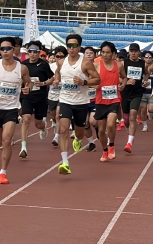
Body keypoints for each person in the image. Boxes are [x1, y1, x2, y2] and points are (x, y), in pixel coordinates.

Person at [0, 36, 32, 184]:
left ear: (14, 49)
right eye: (2, 49)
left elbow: (28, 83)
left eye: (8, 48)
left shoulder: (22, 68)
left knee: (7, 140)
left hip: (11, 108)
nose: (5, 51)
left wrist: (27, 89)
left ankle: (3, 172)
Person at [52, 34, 100, 175]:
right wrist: (56, 80)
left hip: (81, 102)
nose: (71, 48)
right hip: (65, 100)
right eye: (69, 46)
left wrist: (83, 82)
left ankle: (78, 140)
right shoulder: (61, 62)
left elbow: (97, 79)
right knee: (63, 130)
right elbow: (57, 72)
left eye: (74, 46)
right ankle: (65, 162)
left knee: (79, 132)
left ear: (79, 47)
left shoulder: (85, 63)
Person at [19, 40, 54, 158]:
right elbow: (19, 79)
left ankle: (43, 127)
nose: (33, 54)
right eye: (31, 52)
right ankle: (23, 147)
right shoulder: (23, 65)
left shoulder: (44, 64)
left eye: (35, 52)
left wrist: (43, 83)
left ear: (39, 53)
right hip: (27, 96)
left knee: (38, 123)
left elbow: (52, 78)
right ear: (28, 53)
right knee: (26, 118)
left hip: (40, 97)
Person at [94, 41, 123, 162]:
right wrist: (93, 85)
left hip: (114, 99)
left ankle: (111, 145)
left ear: (113, 54)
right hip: (101, 100)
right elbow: (90, 79)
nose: (105, 55)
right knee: (101, 130)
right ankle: (105, 150)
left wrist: (123, 84)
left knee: (111, 124)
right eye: (103, 52)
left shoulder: (119, 65)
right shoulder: (96, 65)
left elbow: (124, 77)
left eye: (107, 52)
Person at [120, 43, 150, 153]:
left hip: (137, 93)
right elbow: (118, 76)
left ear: (139, 52)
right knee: (126, 120)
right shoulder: (123, 63)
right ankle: (129, 134)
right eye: (131, 51)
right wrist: (126, 82)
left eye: (135, 51)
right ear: (129, 52)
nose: (133, 53)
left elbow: (147, 73)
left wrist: (145, 81)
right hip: (125, 92)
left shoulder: (143, 64)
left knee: (133, 115)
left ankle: (129, 143)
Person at [47, 46, 67, 146]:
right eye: (57, 56)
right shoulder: (50, 66)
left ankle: (57, 136)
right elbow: (47, 78)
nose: (59, 58)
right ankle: (56, 125)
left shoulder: (68, 66)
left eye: (61, 56)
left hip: (64, 94)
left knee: (58, 115)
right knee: (53, 114)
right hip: (52, 94)